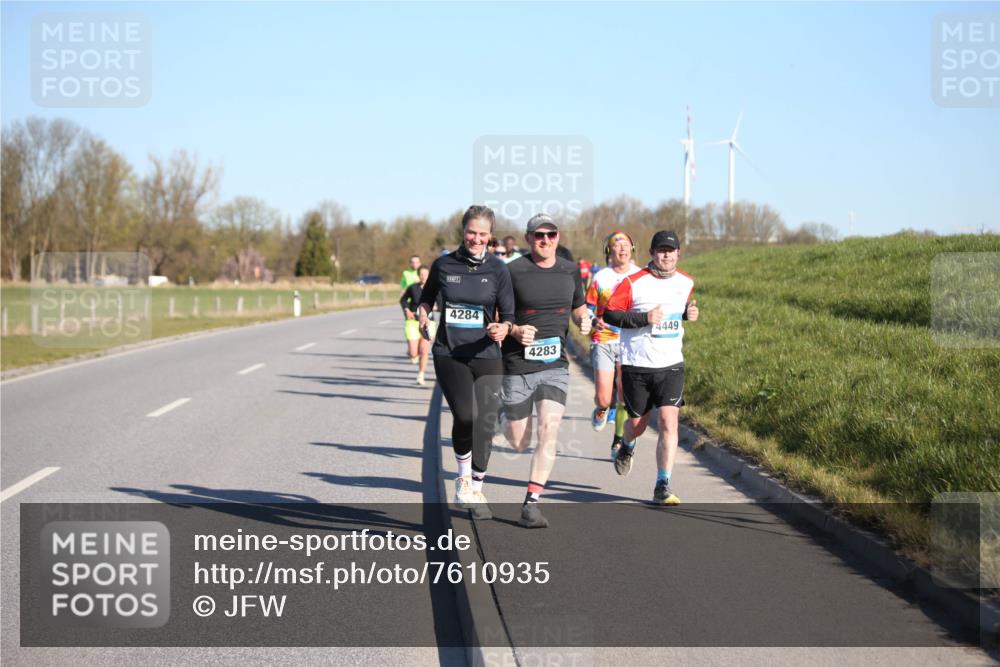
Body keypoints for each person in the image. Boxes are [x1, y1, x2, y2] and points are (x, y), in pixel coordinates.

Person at [418, 206, 514, 518]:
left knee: (486, 423)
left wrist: (504, 328)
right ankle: (462, 480)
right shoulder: (444, 264)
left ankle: (477, 487)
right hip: (450, 353)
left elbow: (509, 315)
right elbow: (426, 299)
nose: (476, 238)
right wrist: (423, 317)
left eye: (483, 234)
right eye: (471, 232)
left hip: (486, 354)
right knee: (465, 414)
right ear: (463, 231)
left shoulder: (498, 270)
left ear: (490, 236)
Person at [501, 214, 590, 528]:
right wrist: (515, 331)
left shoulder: (570, 270)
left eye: (551, 235)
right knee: (518, 441)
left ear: (558, 237)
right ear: (528, 238)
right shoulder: (512, 271)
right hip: (518, 364)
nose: (545, 240)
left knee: (549, 429)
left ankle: (532, 503)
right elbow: (497, 316)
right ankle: (504, 415)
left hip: (555, 365)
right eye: (539, 235)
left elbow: (578, 308)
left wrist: (584, 321)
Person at [603, 230, 699, 506]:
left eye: (671, 250)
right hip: (637, 365)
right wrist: (644, 318)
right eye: (661, 250)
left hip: (671, 364)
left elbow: (675, 311)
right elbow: (610, 314)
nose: (666, 255)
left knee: (669, 421)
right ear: (652, 254)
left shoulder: (686, 282)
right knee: (638, 425)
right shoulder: (633, 282)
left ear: (678, 253)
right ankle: (627, 443)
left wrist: (687, 314)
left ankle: (662, 484)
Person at [585, 231, 641, 458]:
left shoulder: (640, 276)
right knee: (604, 398)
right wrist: (593, 320)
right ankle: (601, 409)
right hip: (605, 340)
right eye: (617, 245)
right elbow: (588, 307)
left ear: (632, 249)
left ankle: (618, 441)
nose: (623, 249)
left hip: (631, 342)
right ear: (609, 251)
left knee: (624, 398)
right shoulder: (601, 277)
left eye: (626, 244)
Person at [400, 265, 436, 385]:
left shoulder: (434, 288)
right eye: (421, 274)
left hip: (428, 322)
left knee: (424, 351)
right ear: (418, 275)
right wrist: (407, 310)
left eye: (426, 275)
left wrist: (435, 307)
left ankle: (421, 374)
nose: (423, 277)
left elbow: (441, 303)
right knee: (414, 352)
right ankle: (413, 355)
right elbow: (403, 300)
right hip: (413, 321)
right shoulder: (412, 288)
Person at [400, 255, 422, 361]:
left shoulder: (422, 273)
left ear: (420, 263)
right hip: (408, 303)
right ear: (410, 263)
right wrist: (402, 295)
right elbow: (403, 286)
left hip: (418, 302)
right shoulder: (406, 273)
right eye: (413, 262)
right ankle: (411, 346)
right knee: (409, 325)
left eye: (416, 262)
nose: (415, 264)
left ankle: (418, 346)